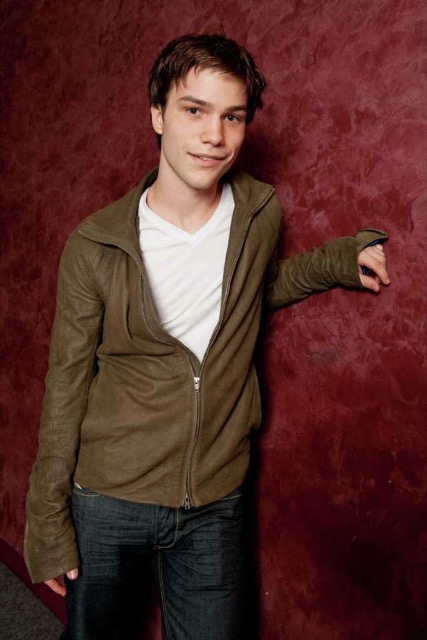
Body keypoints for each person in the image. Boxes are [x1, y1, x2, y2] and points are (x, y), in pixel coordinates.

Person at [24, 33, 390, 639]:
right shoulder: (95, 245)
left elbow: (254, 290)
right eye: (194, 110)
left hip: (216, 500)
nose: (214, 135)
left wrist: (338, 260)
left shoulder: (258, 213)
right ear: (157, 114)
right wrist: (46, 516)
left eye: (232, 117)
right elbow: (65, 384)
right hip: (109, 498)